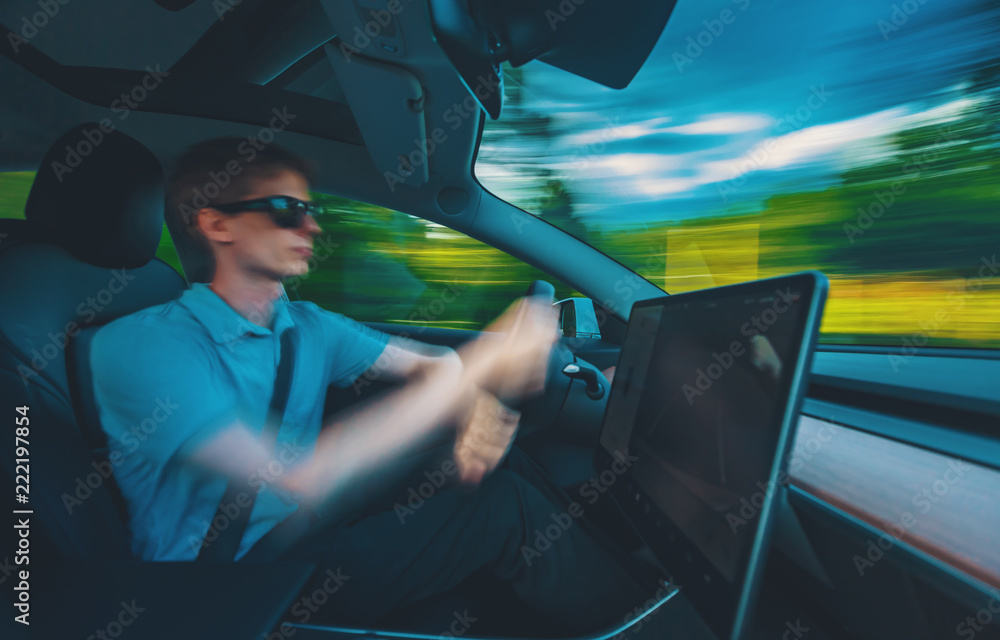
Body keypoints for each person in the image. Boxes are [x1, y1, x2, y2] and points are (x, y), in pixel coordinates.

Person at [90, 138, 654, 632]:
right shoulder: (142, 347)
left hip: (296, 523)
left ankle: (634, 575)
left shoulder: (306, 325)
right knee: (501, 507)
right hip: (229, 588)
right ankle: (656, 625)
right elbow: (293, 474)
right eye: (287, 210)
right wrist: (491, 360)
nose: (311, 226)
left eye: (309, 210)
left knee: (485, 452)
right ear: (217, 224)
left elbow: (433, 367)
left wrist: (477, 401)